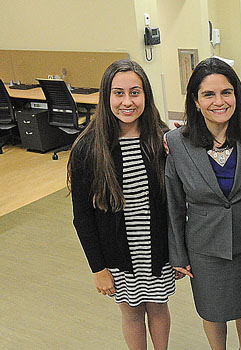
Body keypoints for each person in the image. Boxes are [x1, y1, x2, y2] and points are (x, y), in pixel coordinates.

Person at [68, 59, 175, 350]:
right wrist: (98, 268)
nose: (127, 102)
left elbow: (177, 206)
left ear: (146, 96)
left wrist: (179, 253)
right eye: (118, 93)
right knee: (130, 313)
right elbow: (83, 218)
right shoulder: (89, 148)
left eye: (135, 92)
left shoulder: (163, 141)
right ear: (107, 97)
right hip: (117, 255)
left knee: (157, 307)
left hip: (157, 250)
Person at [164, 57, 241, 350]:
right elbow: (173, 204)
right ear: (195, 101)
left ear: (237, 95)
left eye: (226, 92)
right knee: (212, 310)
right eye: (208, 94)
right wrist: (178, 255)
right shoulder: (177, 143)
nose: (219, 101)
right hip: (204, 248)